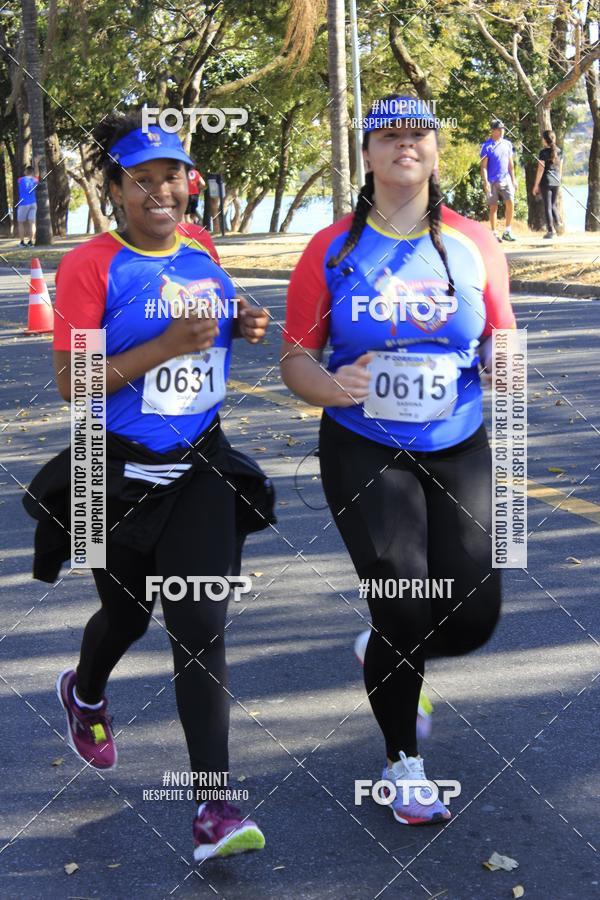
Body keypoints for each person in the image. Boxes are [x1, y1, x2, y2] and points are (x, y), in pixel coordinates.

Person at [22, 113, 272, 861]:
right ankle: (86, 691)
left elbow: (213, 326)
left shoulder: (201, 249)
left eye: (173, 176)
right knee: (125, 615)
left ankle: (215, 811)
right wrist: (165, 344)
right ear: (115, 191)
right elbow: (74, 384)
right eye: (143, 179)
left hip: (199, 466)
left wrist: (242, 321)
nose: (162, 191)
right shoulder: (89, 267)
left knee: (199, 633)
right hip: (108, 467)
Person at [281, 95, 516, 826]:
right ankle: (402, 765)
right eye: (389, 134)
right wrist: (327, 385)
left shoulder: (475, 240)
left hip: (460, 441)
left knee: (475, 616)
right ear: (369, 154)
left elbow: (501, 333)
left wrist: (505, 365)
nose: (404, 144)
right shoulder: (331, 247)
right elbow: (294, 356)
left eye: (418, 133)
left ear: (437, 151)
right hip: (363, 445)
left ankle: (385, 645)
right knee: (404, 596)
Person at [480, 119, 517, 242]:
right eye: (499, 129)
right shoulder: (486, 146)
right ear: (493, 130)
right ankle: (494, 233)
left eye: (503, 129)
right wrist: (485, 182)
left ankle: (507, 231)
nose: (502, 131)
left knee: (510, 202)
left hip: (506, 178)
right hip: (492, 180)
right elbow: (484, 166)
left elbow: (510, 164)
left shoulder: (507, 144)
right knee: (493, 207)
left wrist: (514, 179)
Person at [532, 129, 563, 239]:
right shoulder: (559, 151)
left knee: (548, 206)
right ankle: (559, 224)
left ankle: (551, 230)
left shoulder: (543, 152)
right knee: (553, 204)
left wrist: (536, 185)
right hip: (556, 180)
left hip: (546, 180)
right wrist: (559, 179)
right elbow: (560, 168)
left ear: (545, 140)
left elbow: (541, 169)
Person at [17, 158, 40, 246]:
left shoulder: (20, 180)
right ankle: (31, 242)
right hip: (33, 203)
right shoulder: (34, 180)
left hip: (23, 203)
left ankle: (22, 242)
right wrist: (36, 163)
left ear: (26, 172)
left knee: (21, 222)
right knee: (32, 223)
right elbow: (37, 174)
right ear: (32, 173)